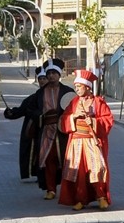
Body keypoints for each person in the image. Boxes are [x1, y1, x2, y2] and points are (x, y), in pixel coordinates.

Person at [59, 69, 114, 211]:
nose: (76, 89)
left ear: (87, 87)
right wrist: (73, 116)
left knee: (97, 168)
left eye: (79, 86)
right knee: (79, 172)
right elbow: (63, 120)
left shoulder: (98, 102)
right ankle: (80, 199)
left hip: (91, 141)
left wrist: (94, 122)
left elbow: (108, 120)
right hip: (76, 142)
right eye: (75, 87)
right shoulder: (74, 102)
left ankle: (101, 197)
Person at [34, 59, 74, 199]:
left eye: (54, 73)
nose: (51, 76)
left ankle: (69, 189)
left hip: (64, 131)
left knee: (66, 160)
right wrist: (13, 113)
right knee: (49, 159)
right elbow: (30, 108)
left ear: (59, 74)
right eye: (49, 73)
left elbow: (75, 108)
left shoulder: (68, 92)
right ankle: (50, 189)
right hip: (47, 131)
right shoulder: (40, 93)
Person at [16, 67, 48, 184]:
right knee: (36, 153)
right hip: (36, 131)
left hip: (50, 130)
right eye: (40, 79)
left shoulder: (57, 95)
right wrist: (10, 113)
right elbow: (21, 110)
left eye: (44, 78)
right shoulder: (32, 98)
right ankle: (38, 174)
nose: (42, 81)